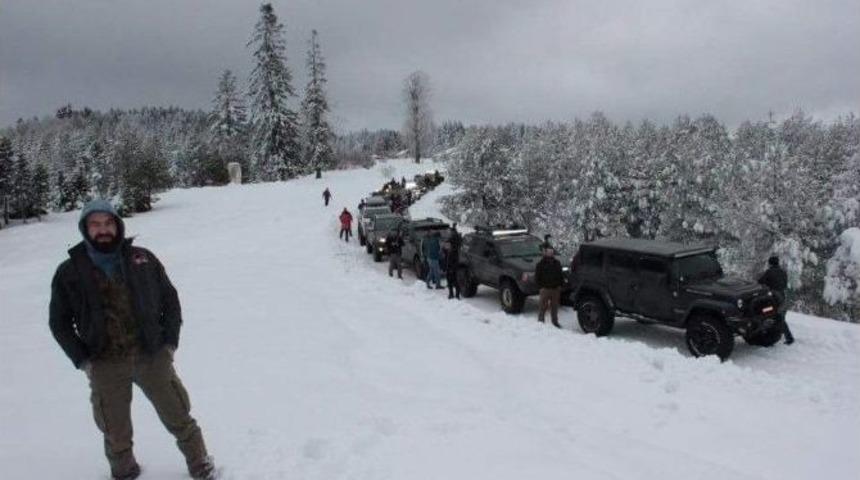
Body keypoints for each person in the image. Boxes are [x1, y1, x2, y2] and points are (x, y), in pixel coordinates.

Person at [49, 200, 216, 480]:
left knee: (178, 415)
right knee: (114, 429)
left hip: (151, 355)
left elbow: (169, 300)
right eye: (95, 224)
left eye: (108, 223)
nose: (103, 230)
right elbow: (59, 322)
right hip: (104, 362)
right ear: (85, 229)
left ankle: (201, 465)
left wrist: (169, 343)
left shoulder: (143, 259)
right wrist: (82, 359)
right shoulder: (69, 272)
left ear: (118, 225)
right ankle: (124, 471)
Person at [758, 255, 794, 344]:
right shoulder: (783, 272)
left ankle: (789, 338)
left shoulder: (769, 272)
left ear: (770, 263)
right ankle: (779, 333)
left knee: (777, 317)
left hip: (774, 297)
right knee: (780, 315)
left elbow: (760, 282)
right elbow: (785, 284)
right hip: (782, 296)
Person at [535, 245, 564, 328]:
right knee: (542, 307)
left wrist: (560, 285)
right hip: (545, 289)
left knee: (555, 307)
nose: (550, 253)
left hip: (555, 289)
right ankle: (540, 322)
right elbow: (537, 277)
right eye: (548, 252)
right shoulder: (540, 264)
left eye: (551, 252)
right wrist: (541, 287)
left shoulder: (557, 263)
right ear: (545, 253)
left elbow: (560, 275)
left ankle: (555, 322)